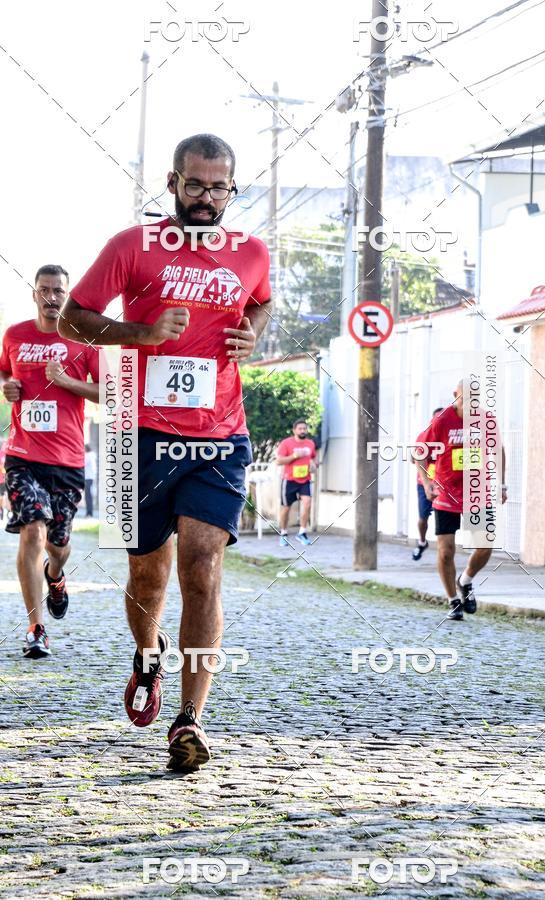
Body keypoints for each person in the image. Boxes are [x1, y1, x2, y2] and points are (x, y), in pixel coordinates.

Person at [59, 133, 272, 771]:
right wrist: (141, 333)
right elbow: (74, 318)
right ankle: (146, 653)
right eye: (194, 184)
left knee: (202, 567)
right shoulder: (134, 246)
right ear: (172, 182)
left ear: (233, 188)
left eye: (219, 187)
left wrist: (251, 337)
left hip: (219, 435)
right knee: (148, 575)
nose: (206, 198)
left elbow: (261, 305)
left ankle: (190, 720)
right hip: (138, 434)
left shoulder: (251, 252)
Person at [0, 265, 101, 657]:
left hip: (68, 460)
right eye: (44, 290)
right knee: (33, 530)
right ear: (35, 294)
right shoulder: (15, 336)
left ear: (67, 293)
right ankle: (35, 627)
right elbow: (5, 374)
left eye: (58, 290)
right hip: (24, 456)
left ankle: (55, 575)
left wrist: (67, 383)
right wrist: (8, 388)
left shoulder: (83, 340)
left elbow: (110, 392)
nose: (52, 297)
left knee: (58, 544)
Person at [419, 380, 507, 621]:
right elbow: (419, 453)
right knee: (446, 552)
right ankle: (453, 601)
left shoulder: (486, 419)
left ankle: (465, 580)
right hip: (446, 495)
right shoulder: (442, 421)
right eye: (465, 397)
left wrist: (501, 484)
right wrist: (427, 483)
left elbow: (498, 450)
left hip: (476, 492)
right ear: (455, 395)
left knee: (485, 545)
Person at [276, 419, 317, 547]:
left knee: (307, 502)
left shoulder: (310, 443)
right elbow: (279, 461)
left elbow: (313, 458)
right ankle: (283, 533)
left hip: (305, 479)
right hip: (289, 480)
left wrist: (313, 465)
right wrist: (294, 456)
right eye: (300, 429)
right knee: (286, 508)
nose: (303, 431)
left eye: (304, 428)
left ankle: (302, 532)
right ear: (294, 430)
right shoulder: (286, 443)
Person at [412, 407, 443, 560]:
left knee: (444, 515)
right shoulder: (423, 436)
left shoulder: (451, 436)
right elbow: (414, 458)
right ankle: (422, 541)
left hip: (445, 484)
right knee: (423, 518)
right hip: (425, 483)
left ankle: (444, 548)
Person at [84, 443, 96, 517]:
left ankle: (89, 512)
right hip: (90, 477)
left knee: (88, 496)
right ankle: (89, 512)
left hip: (88, 477)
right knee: (88, 496)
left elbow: (83, 463)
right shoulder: (92, 455)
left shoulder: (88, 456)